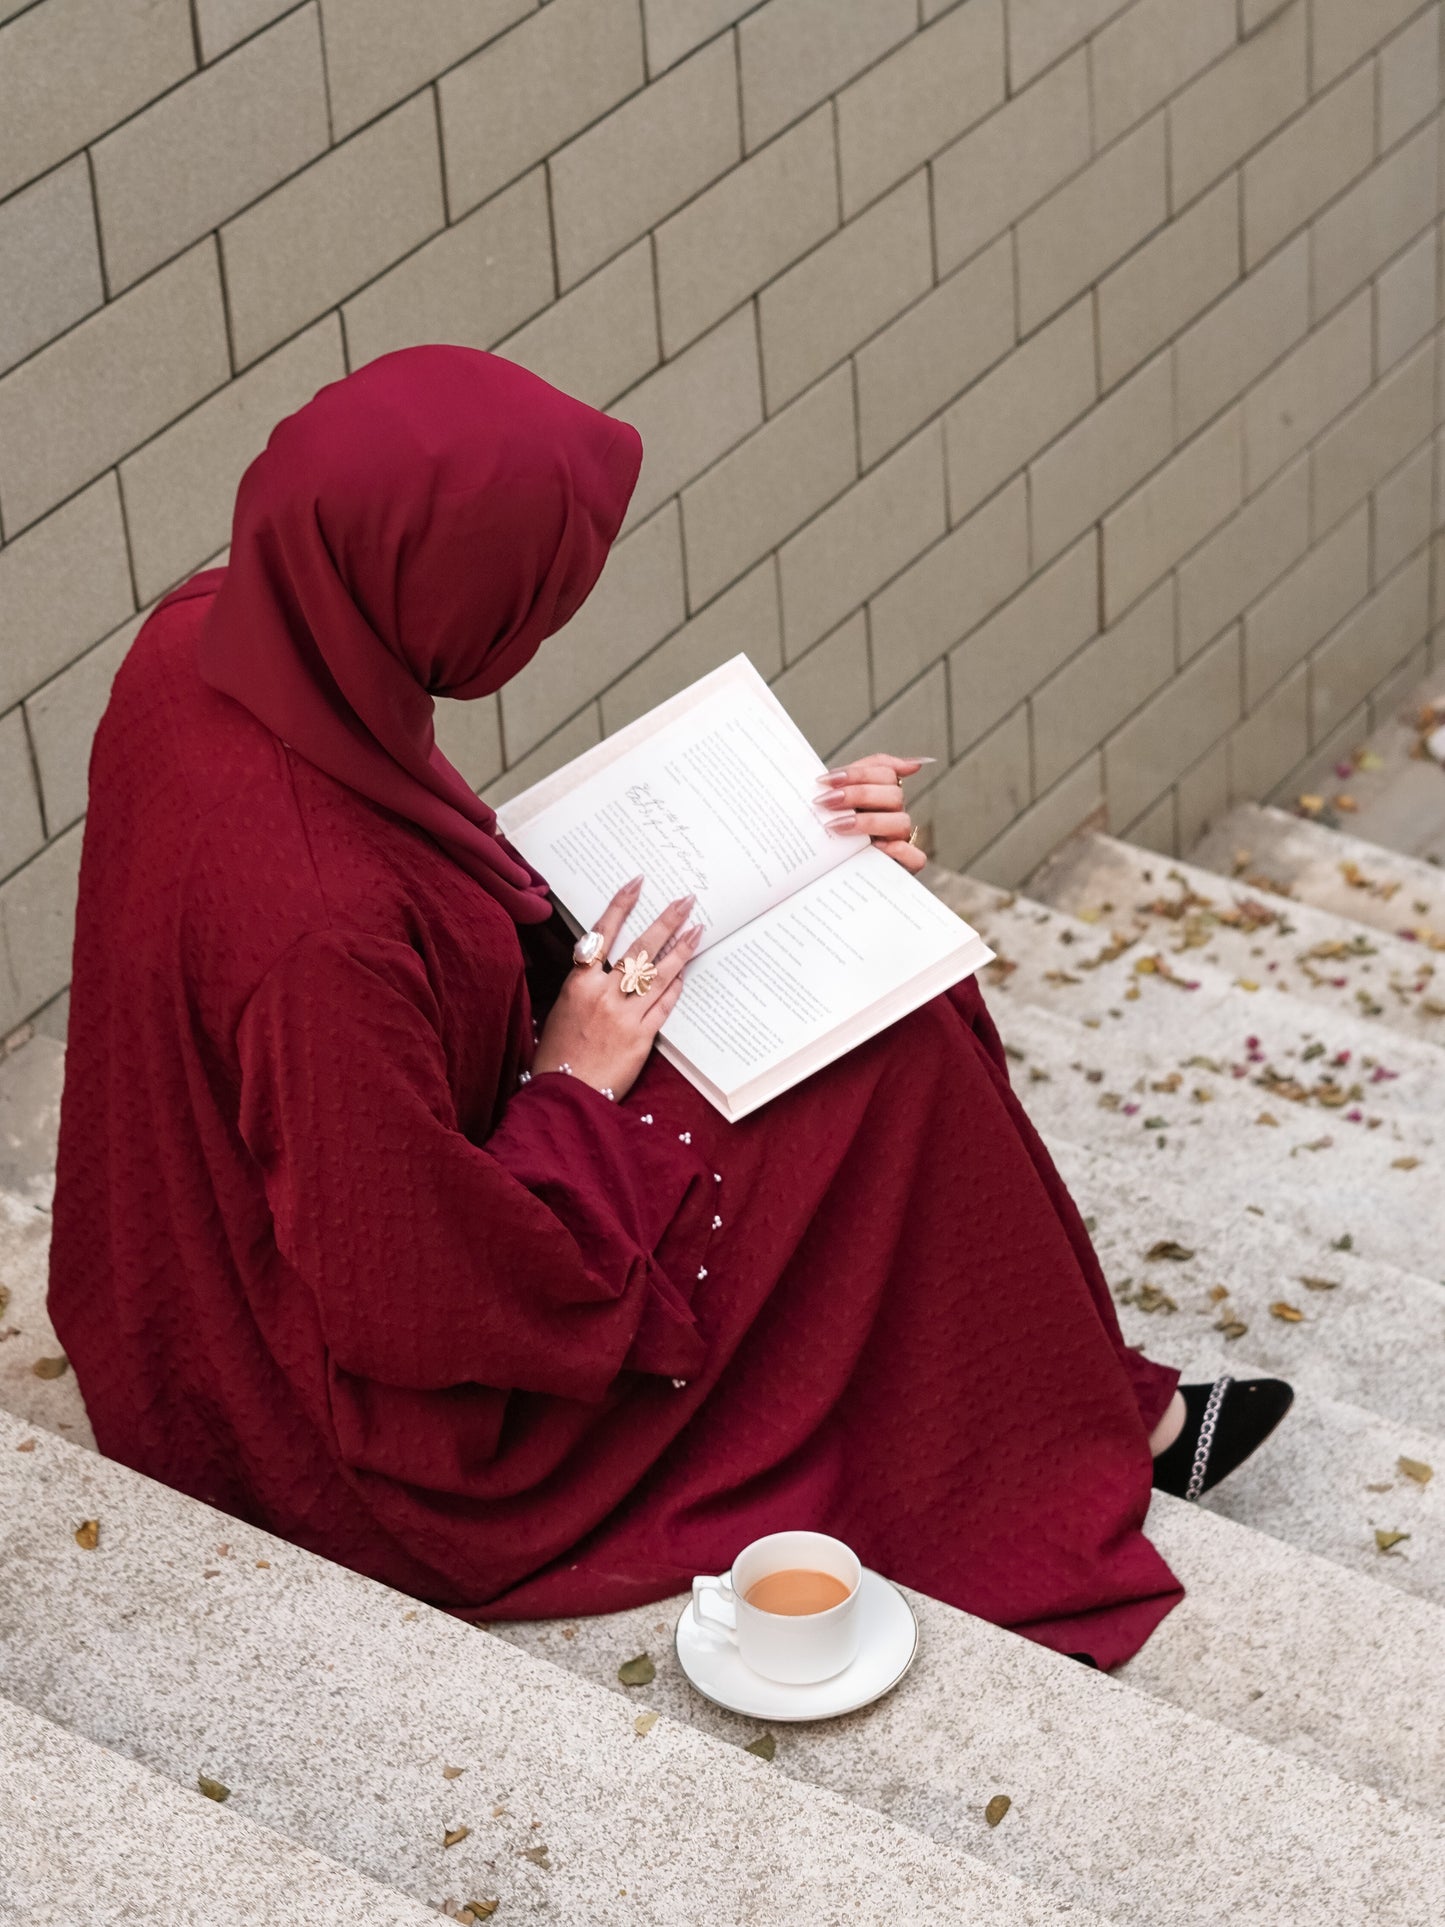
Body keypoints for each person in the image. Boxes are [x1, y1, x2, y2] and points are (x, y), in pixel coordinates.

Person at [47, 346, 1291, 1671]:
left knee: (873, 999)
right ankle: (1084, 1431)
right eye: (529, 600)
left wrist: (797, 848)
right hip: (352, 1427)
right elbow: (405, 1298)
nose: (539, 633)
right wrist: (575, 1084)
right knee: (886, 1060)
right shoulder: (320, 930)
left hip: (257, 1219)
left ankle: (1085, 1405)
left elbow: (393, 882)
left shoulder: (213, 634)